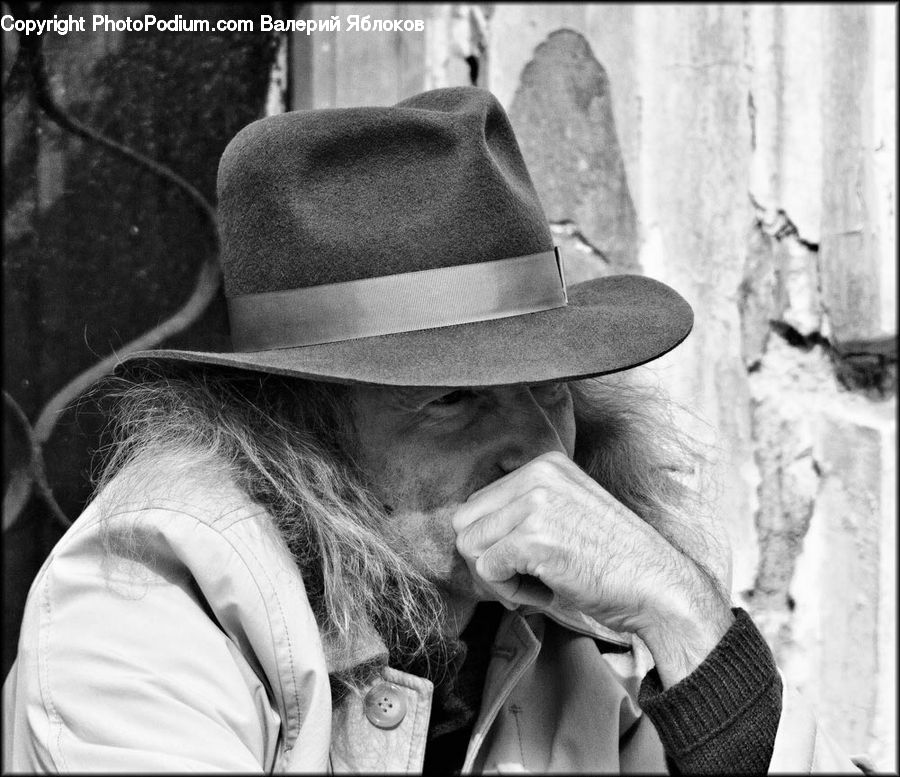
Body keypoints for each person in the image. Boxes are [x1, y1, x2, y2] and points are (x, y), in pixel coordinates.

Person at [3, 86, 861, 773]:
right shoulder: (143, 603)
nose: (543, 449)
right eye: (452, 398)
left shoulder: (569, 631)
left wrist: (683, 615)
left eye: (552, 387)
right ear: (302, 438)